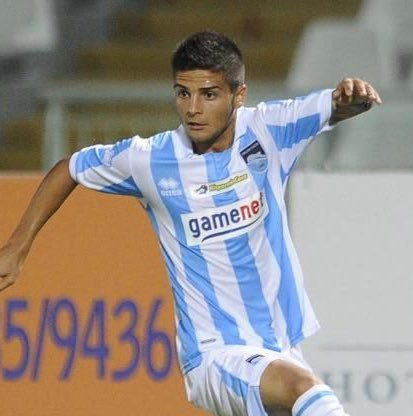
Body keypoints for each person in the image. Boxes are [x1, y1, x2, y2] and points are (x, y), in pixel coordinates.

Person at [0, 31, 381, 416]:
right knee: (306, 390)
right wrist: (18, 246)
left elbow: (337, 105)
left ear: (239, 95)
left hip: (279, 347)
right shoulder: (149, 159)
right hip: (214, 354)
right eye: (183, 93)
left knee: (302, 390)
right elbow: (70, 168)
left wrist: (354, 99)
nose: (193, 109)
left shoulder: (269, 129)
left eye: (209, 94)